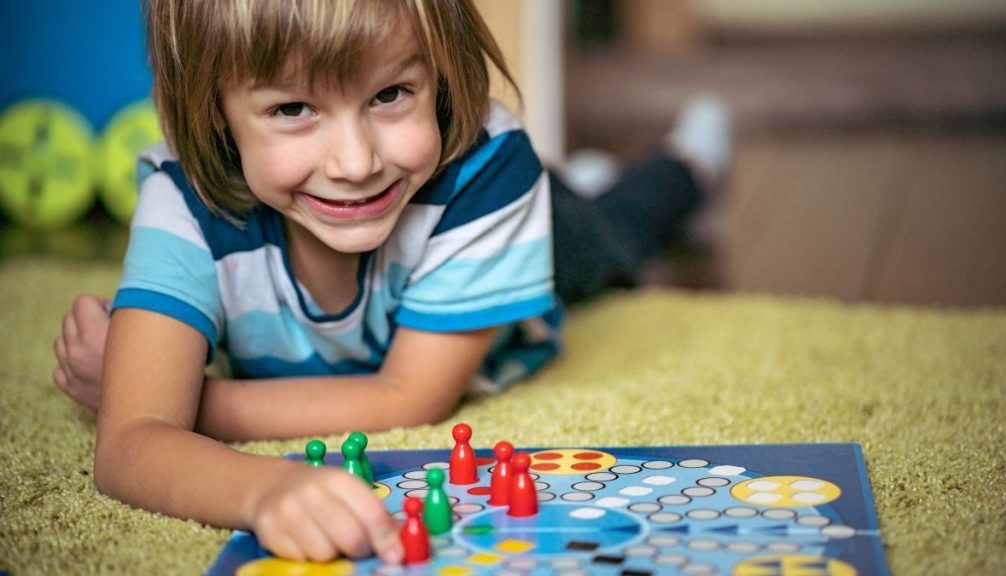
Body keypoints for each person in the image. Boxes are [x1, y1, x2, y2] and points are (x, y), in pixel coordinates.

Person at [52, 0, 730, 565]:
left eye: (389, 95)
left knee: (619, 232)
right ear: (213, 113)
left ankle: (687, 162)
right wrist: (259, 490)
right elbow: (131, 444)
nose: (354, 163)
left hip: (530, 228)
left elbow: (410, 394)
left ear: (441, 75)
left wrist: (178, 394)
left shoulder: (488, 175)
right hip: (460, 227)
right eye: (292, 109)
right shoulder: (184, 200)